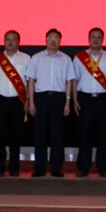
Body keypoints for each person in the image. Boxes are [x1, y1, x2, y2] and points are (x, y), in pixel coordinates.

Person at [25, 28, 75, 178]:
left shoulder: (66, 59)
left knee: (57, 134)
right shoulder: (36, 58)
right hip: (41, 98)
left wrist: (67, 102)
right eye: (50, 38)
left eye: (56, 38)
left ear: (60, 41)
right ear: (45, 40)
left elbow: (69, 82)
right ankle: (39, 168)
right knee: (40, 134)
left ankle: (56, 168)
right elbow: (31, 81)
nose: (53, 41)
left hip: (59, 98)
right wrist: (31, 102)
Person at [72, 27, 106, 178]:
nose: (96, 40)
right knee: (84, 135)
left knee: (104, 135)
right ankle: (83, 167)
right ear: (88, 39)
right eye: (93, 37)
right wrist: (74, 100)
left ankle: (104, 167)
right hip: (85, 99)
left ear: (102, 39)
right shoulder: (80, 57)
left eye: (99, 37)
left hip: (103, 99)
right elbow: (74, 80)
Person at [0, 30, 30, 177]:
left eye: (13, 39)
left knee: (16, 137)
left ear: (19, 42)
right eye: (8, 39)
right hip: (0, 101)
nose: (10, 42)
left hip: (18, 102)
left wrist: (28, 100)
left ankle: (14, 167)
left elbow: (29, 82)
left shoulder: (26, 58)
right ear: (4, 42)